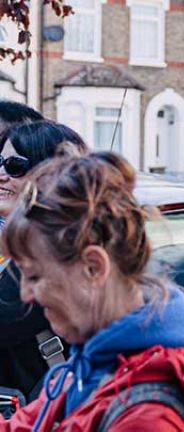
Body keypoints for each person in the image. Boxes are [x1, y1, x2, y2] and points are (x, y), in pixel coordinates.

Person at [0, 152, 184, 430]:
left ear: (93, 267)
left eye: (35, 276)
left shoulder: (146, 417)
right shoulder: (93, 361)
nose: (27, 294)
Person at [0, 120, 88, 402]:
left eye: (14, 165)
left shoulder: (59, 249)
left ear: (52, 173)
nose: (1, 174)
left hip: (44, 408)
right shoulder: (21, 241)